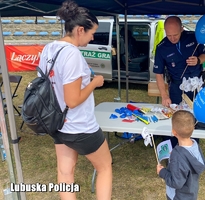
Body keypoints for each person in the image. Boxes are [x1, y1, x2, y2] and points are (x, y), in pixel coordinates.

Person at [38, 1, 112, 199]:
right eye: (91, 33)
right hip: (79, 125)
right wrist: (94, 82)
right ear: (80, 30)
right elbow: (73, 100)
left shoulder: (49, 49)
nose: (93, 37)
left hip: (56, 123)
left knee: (65, 172)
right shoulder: (72, 55)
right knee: (105, 167)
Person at [153, 16, 205, 147]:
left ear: (182, 29)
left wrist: (198, 60)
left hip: (196, 86)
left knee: (194, 118)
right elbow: (158, 74)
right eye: (169, 35)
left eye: (175, 35)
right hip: (177, 87)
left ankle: (193, 146)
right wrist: (164, 95)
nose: (172, 38)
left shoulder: (193, 37)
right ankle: (173, 147)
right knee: (177, 117)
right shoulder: (162, 47)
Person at [156, 110, 205, 200]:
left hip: (177, 196)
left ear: (174, 132)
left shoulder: (178, 156)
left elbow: (176, 183)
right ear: (193, 129)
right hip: (191, 193)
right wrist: (176, 153)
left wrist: (162, 172)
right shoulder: (195, 145)